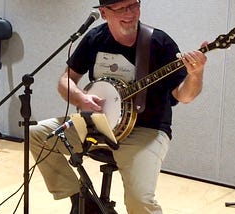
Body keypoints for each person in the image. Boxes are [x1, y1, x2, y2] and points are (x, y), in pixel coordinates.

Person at [29, 0, 208, 213]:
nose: (130, 13)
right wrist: (79, 98)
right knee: (38, 134)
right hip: (96, 125)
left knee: (140, 202)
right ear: (104, 13)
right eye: (122, 8)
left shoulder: (159, 42)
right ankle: (82, 201)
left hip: (146, 130)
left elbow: (184, 96)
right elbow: (66, 80)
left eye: (134, 5)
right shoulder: (95, 38)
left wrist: (196, 75)